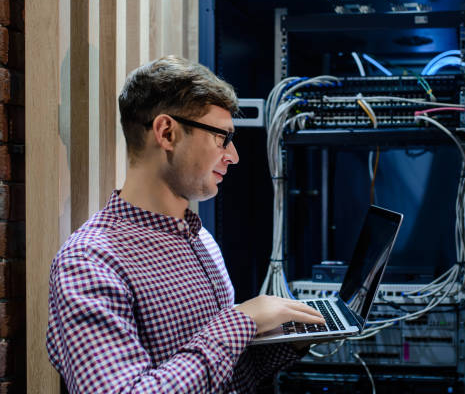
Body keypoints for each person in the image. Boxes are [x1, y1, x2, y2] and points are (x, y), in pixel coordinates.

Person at [46, 55, 325, 393]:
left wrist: (290, 341)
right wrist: (240, 321)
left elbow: (224, 378)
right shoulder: (89, 262)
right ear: (167, 132)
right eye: (221, 137)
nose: (233, 156)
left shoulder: (200, 239)